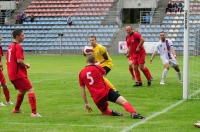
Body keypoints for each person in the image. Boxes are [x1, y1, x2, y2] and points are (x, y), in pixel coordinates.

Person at [79, 55, 145, 119]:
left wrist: (86, 103)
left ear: (86, 61)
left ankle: (115, 113)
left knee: (105, 111)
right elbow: (104, 73)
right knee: (124, 102)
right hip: (105, 91)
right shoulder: (97, 67)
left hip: (96, 97)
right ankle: (133, 113)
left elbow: (82, 90)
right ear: (95, 60)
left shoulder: (81, 73)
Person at [6, 29, 42, 117]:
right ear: (17, 36)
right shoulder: (18, 46)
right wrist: (27, 65)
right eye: (22, 35)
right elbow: (19, 60)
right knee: (30, 89)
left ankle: (16, 109)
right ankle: (34, 113)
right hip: (18, 74)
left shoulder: (10, 46)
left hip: (12, 74)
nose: (24, 37)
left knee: (22, 91)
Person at [0, 36, 13, 107]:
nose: (1, 41)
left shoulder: (0, 48)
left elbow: (0, 57)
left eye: (1, 39)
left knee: (4, 85)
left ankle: (8, 100)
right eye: (0, 39)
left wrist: (1, 64)